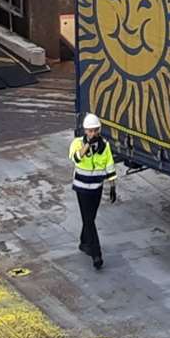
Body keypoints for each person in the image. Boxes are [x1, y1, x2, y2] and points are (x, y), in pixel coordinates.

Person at [70, 113, 117, 269]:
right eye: (89, 131)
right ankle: (96, 254)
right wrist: (87, 145)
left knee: (90, 218)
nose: (92, 133)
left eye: (95, 130)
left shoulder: (105, 146)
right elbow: (76, 158)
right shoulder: (77, 143)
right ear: (85, 131)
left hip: (96, 187)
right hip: (82, 188)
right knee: (89, 220)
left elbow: (109, 164)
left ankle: (84, 242)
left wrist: (113, 185)